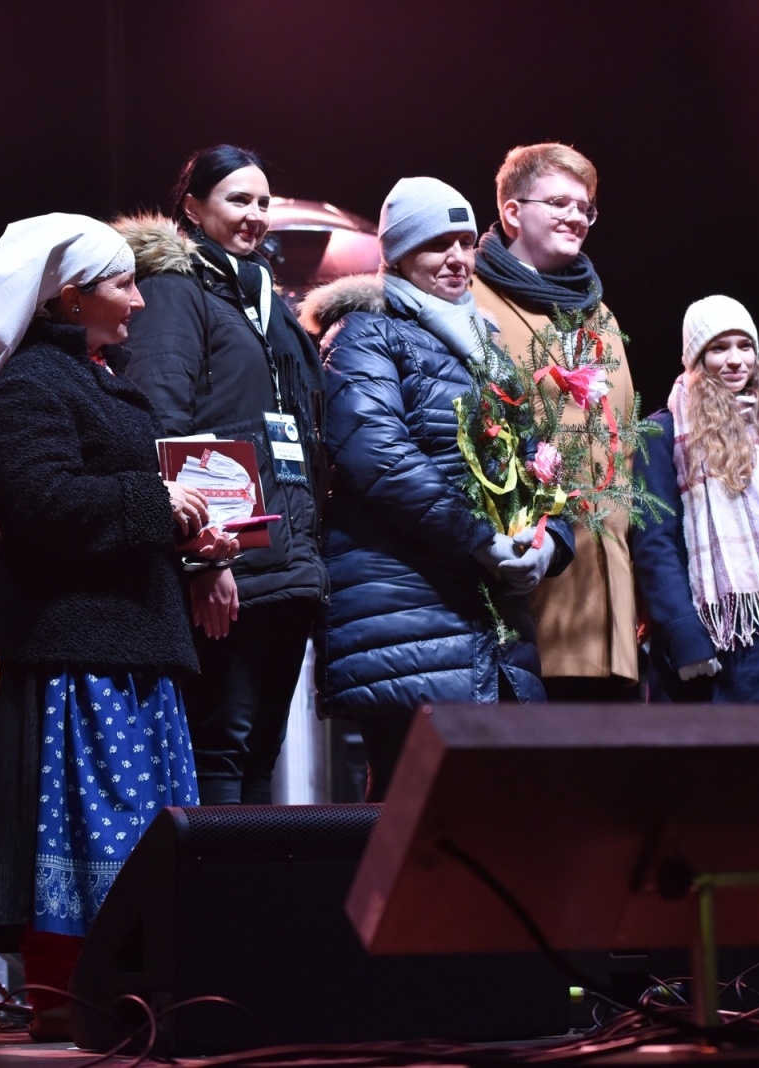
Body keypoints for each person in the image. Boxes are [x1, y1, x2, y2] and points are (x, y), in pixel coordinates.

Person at [0, 213, 235, 1039]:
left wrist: (191, 536)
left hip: (132, 641)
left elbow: (119, 505)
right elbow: (44, 504)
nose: (140, 303)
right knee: (90, 833)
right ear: (71, 297)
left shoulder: (101, 380)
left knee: (144, 832)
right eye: (122, 284)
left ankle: (142, 991)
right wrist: (154, 505)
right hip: (80, 647)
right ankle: (72, 998)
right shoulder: (28, 389)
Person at [299, 177, 573, 799]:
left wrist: (548, 539)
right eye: (435, 245)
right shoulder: (366, 334)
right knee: (411, 817)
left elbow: (537, 462)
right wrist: (480, 539)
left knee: (487, 825)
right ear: (395, 256)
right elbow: (378, 458)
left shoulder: (487, 347)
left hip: (489, 621)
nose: (456, 259)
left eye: (465, 242)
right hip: (404, 614)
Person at [114, 146, 326, 805]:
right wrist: (204, 560)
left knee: (260, 751)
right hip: (228, 556)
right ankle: (216, 905)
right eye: (238, 199)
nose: (255, 214)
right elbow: (162, 421)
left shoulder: (267, 300)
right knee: (221, 746)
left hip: (287, 561)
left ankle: (256, 905)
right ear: (192, 207)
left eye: (264, 202)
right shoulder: (175, 291)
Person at [470, 143, 638, 702]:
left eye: (585, 207)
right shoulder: (473, 302)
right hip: (522, 594)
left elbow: (625, 446)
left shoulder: (600, 313)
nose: (576, 216)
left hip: (606, 600)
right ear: (513, 212)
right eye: (558, 202)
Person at [631, 296, 759, 703]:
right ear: (695, 358)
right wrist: (684, 635)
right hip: (711, 655)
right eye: (718, 348)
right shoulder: (663, 433)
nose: (735, 359)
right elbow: (655, 546)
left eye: (744, 346)